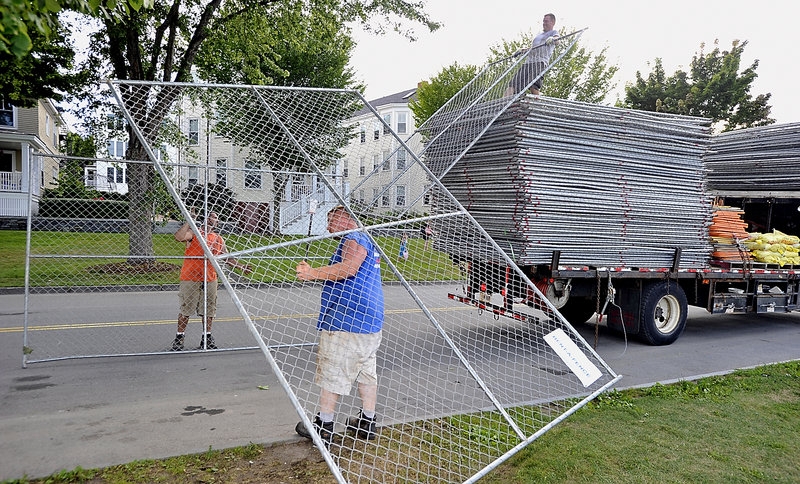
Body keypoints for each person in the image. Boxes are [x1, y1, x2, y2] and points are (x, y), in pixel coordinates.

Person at [294, 205, 384, 445]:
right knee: (366, 370)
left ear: (345, 219)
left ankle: (324, 426)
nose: (327, 226)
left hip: (347, 318)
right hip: (370, 319)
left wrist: (313, 272)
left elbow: (348, 268)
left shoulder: (354, 238)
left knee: (332, 370)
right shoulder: (366, 238)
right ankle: (367, 421)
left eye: (330, 220)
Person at [170, 210, 251, 351]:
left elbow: (227, 258)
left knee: (208, 310)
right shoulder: (195, 233)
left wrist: (241, 267)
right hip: (191, 277)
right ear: (207, 219)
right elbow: (178, 237)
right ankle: (179, 337)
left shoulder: (218, 238)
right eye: (214, 217)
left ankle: (206, 337)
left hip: (210, 278)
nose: (217, 220)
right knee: (186, 309)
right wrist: (190, 220)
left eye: (217, 218)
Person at [504, 13, 559, 96]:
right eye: (543, 21)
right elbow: (533, 48)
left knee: (533, 85)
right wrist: (522, 50)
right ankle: (503, 104)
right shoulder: (539, 35)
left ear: (553, 22)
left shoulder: (553, 32)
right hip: (528, 62)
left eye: (546, 21)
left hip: (540, 62)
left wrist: (553, 39)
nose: (544, 23)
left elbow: (558, 40)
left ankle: (539, 103)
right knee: (513, 84)